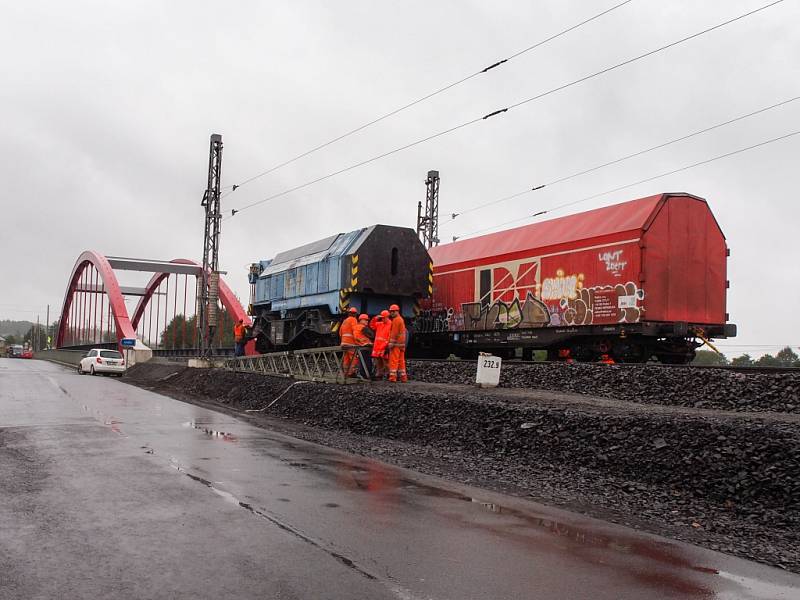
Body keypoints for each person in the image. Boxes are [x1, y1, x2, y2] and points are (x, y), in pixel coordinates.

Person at [387, 304, 407, 382]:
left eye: (393, 311)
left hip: (396, 344)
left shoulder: (396, 320)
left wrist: (391, 343)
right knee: (401, 361)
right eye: (391, 311)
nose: (391, 313)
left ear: (397, 311)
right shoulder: (401, 319)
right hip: (401, 344)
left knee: (393, 360)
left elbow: (394, 333)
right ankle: (403, 377)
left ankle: (392, 377)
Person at [370, 310, 391, 380]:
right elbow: (372, 325)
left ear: (388, 317)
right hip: (377, 346)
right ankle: (379, 374)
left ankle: (389, 374)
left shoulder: (391, 324)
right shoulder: (380, 324)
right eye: (382, 318)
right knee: (378, 362)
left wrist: (387, 346)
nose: (382, 319)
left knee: (386, 362)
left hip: (384, 347)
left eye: (384, 318)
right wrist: (376, 318)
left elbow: (390, 336)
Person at [352, 313, 374, 378]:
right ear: (361, 320)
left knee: (362, 361)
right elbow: (372, 335)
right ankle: (368, 374)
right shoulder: (363, 327)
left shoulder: (356, 327)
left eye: (367, 320)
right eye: (366, 320)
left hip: (360, 346)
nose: (367, 321)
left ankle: (363, 374)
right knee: (368, 361)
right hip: (366, 346)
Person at [339, 307, 359, 376]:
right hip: (350, 343)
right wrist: (357, 340)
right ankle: (352, 373)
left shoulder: (345, 321)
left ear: (349, 313)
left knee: (346, 358)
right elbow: (355, 331)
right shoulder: (354, 320)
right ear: (355, 314)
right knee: (353, 358)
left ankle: (346, 373)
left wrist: (343, 340)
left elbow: (340, 332)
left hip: (343, 342)